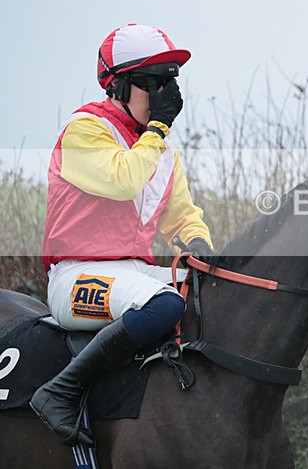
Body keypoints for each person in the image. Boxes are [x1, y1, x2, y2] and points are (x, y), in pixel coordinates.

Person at [30, 23, 214, 447]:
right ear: (118, 85)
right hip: (75, 277)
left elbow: (182, 217)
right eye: (152, 82)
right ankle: (60, 391)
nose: (164, 95)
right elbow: (124, 181)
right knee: (166, 304)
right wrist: (158, 131)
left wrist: (199, 244)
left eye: (170, 82)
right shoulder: (84, 129)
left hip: (132, 274)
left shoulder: (162, 150)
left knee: (214, 295)